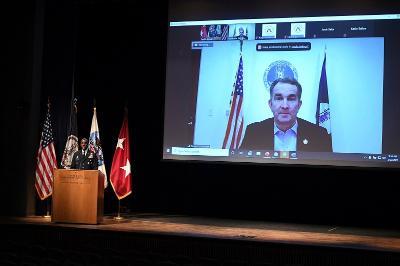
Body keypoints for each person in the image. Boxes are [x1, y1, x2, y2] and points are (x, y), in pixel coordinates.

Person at [240, 78, 332, 152]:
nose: (285, 106)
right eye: (279, 98)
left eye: (291, 99)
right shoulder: (254, 132)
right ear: (270, 104)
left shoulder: (319, 135)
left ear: (299, 105)